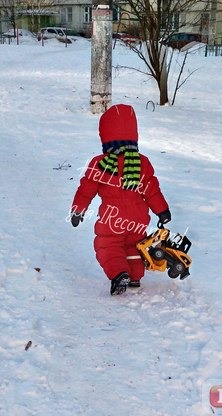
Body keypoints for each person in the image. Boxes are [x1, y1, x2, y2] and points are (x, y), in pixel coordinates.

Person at [69, 104, 171, 295]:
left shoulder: (100, 164)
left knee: (108, 244)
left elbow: (86, 190)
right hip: (138, 218)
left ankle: (118, 273)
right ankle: (134, 277)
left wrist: (78, 210)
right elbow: (152, 190)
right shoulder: (142, 162)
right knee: (134, 244)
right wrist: (162, 211)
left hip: (112, 218)